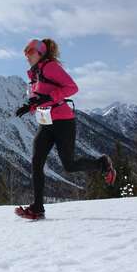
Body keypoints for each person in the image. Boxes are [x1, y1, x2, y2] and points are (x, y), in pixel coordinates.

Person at [14, 38, 116, 220]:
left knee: (69, 165)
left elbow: (72, 87)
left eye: (29, 53)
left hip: (63, 122)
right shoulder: (35, 74)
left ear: (40, 53)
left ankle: (102, 163)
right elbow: (41, 98)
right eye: (25, 54)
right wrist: (28, 106)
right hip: (46, 122)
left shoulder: (51, 67)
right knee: (36, 162)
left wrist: (49, 97)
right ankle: (37, 208)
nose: (26, 57)